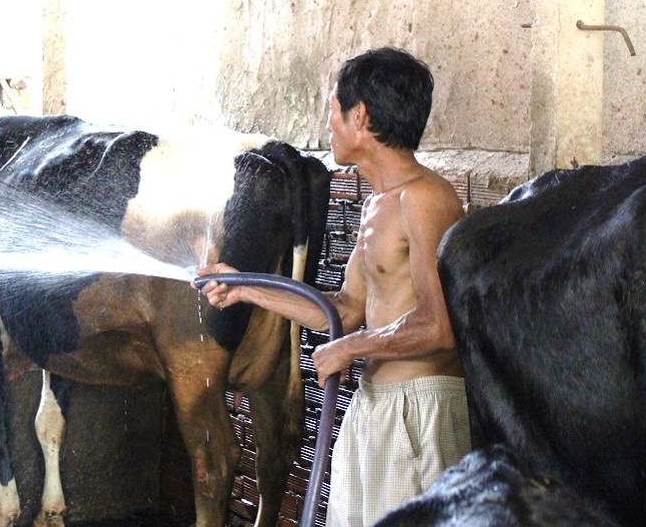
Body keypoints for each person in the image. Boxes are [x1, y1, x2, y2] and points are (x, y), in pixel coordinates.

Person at [194, 47, 470, 527]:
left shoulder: (427, 199)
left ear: (359, 115)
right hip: (375, 407)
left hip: (417, 414)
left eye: (332, 110)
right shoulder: (376, 205)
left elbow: (440, 325)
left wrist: (349, 349)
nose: (329, 125)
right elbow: (342, 311)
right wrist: (245, 290)